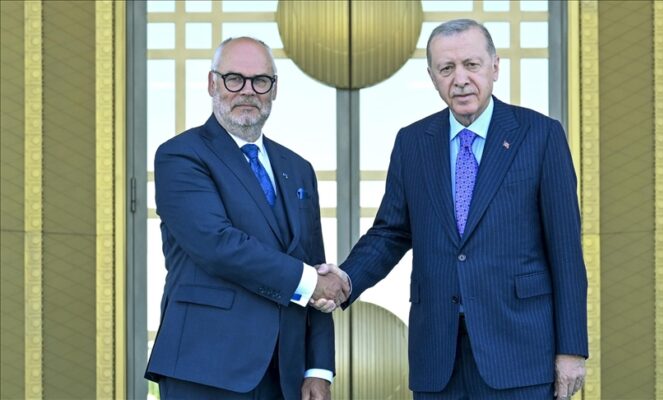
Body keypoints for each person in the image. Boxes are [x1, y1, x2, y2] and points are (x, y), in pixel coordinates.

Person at [315, 19, 588, 399]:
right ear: (432, 77)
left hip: (520, 353)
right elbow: (391, 232)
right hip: (438, 357)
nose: (460, 79)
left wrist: (571, 349)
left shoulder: (540, 136)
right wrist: (346, 279)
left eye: (471, 65)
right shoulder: (413, 142)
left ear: (495, 67)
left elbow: (566, 251)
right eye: (446, 68)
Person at [145, 37, 350, 400]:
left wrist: (318, 368)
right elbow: (217, 244)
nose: (248, 91)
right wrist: (310, 282)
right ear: (212, 83)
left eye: (260, 81)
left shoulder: (298, 169)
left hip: (285, 374)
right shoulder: (180, 156)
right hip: (205, 368)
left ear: (274, 89)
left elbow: (314, 263)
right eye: (234, 79)